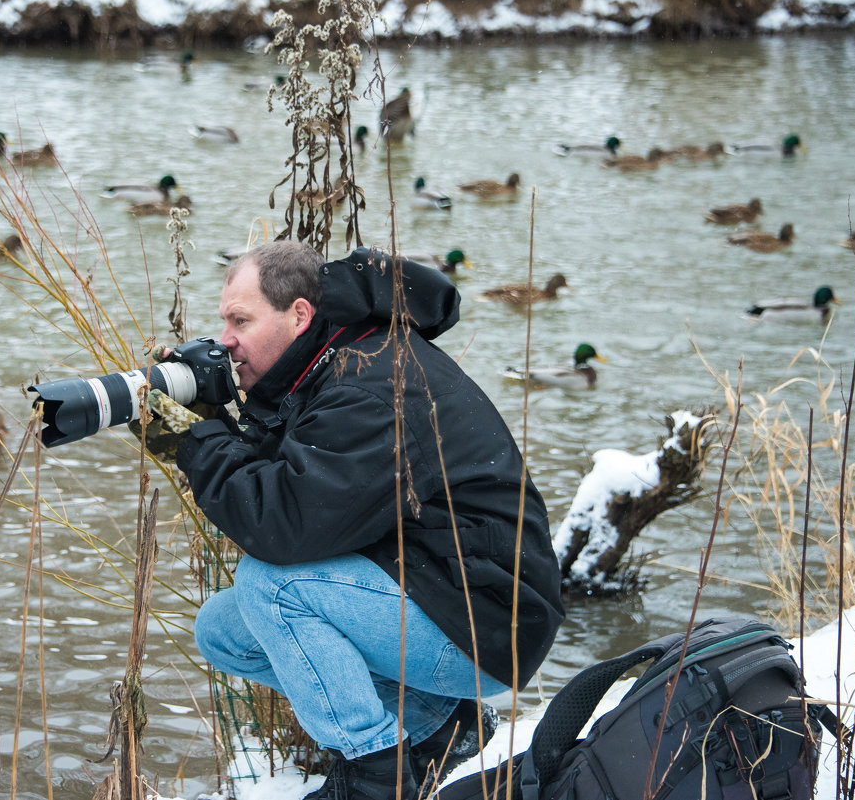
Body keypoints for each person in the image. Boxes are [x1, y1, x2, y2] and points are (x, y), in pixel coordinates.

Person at [168, 242, 564, 799]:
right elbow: (290, 484)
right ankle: (437, 727)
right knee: (223, 631)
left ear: (299, 315)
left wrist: (199, 438)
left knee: (271, 589)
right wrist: (210, 418)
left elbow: (282, 527)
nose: (225, 340)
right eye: (223, 322)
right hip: (439, 586)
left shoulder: (370, 384)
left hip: (488, 625)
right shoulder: (337, 358)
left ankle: (374, 775)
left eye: (240, 320)